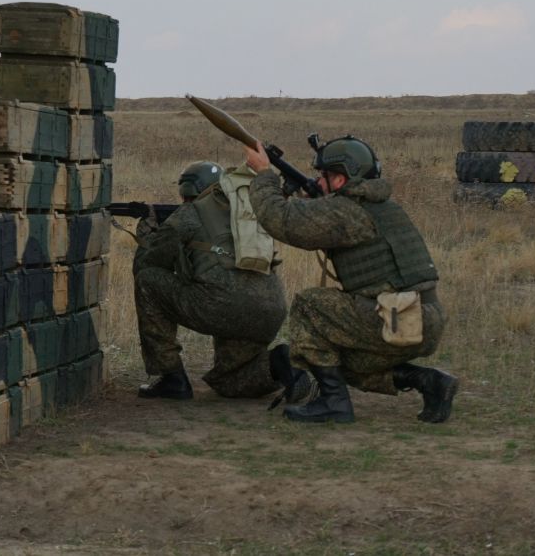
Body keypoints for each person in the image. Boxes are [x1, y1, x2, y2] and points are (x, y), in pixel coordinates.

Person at [244, 136, 458, 424]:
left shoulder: (347, 212)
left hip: (397, 317)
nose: (319, 182)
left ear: (342, 180)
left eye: (325, 176)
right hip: (420, 317)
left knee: (310, 304)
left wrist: (264, 175)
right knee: (338, 362)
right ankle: (429, 382)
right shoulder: (382, 207)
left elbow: (280, 220)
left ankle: (334, 403)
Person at [133, 161, 308, 401]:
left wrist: (146, 235)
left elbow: (148, 264)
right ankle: (282, 363)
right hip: (270, 309)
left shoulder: (190, 213)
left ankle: (171, 377)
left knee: (147, 282)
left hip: (221, 305)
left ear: (188, 190)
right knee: (231, 381)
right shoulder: (249, 210)